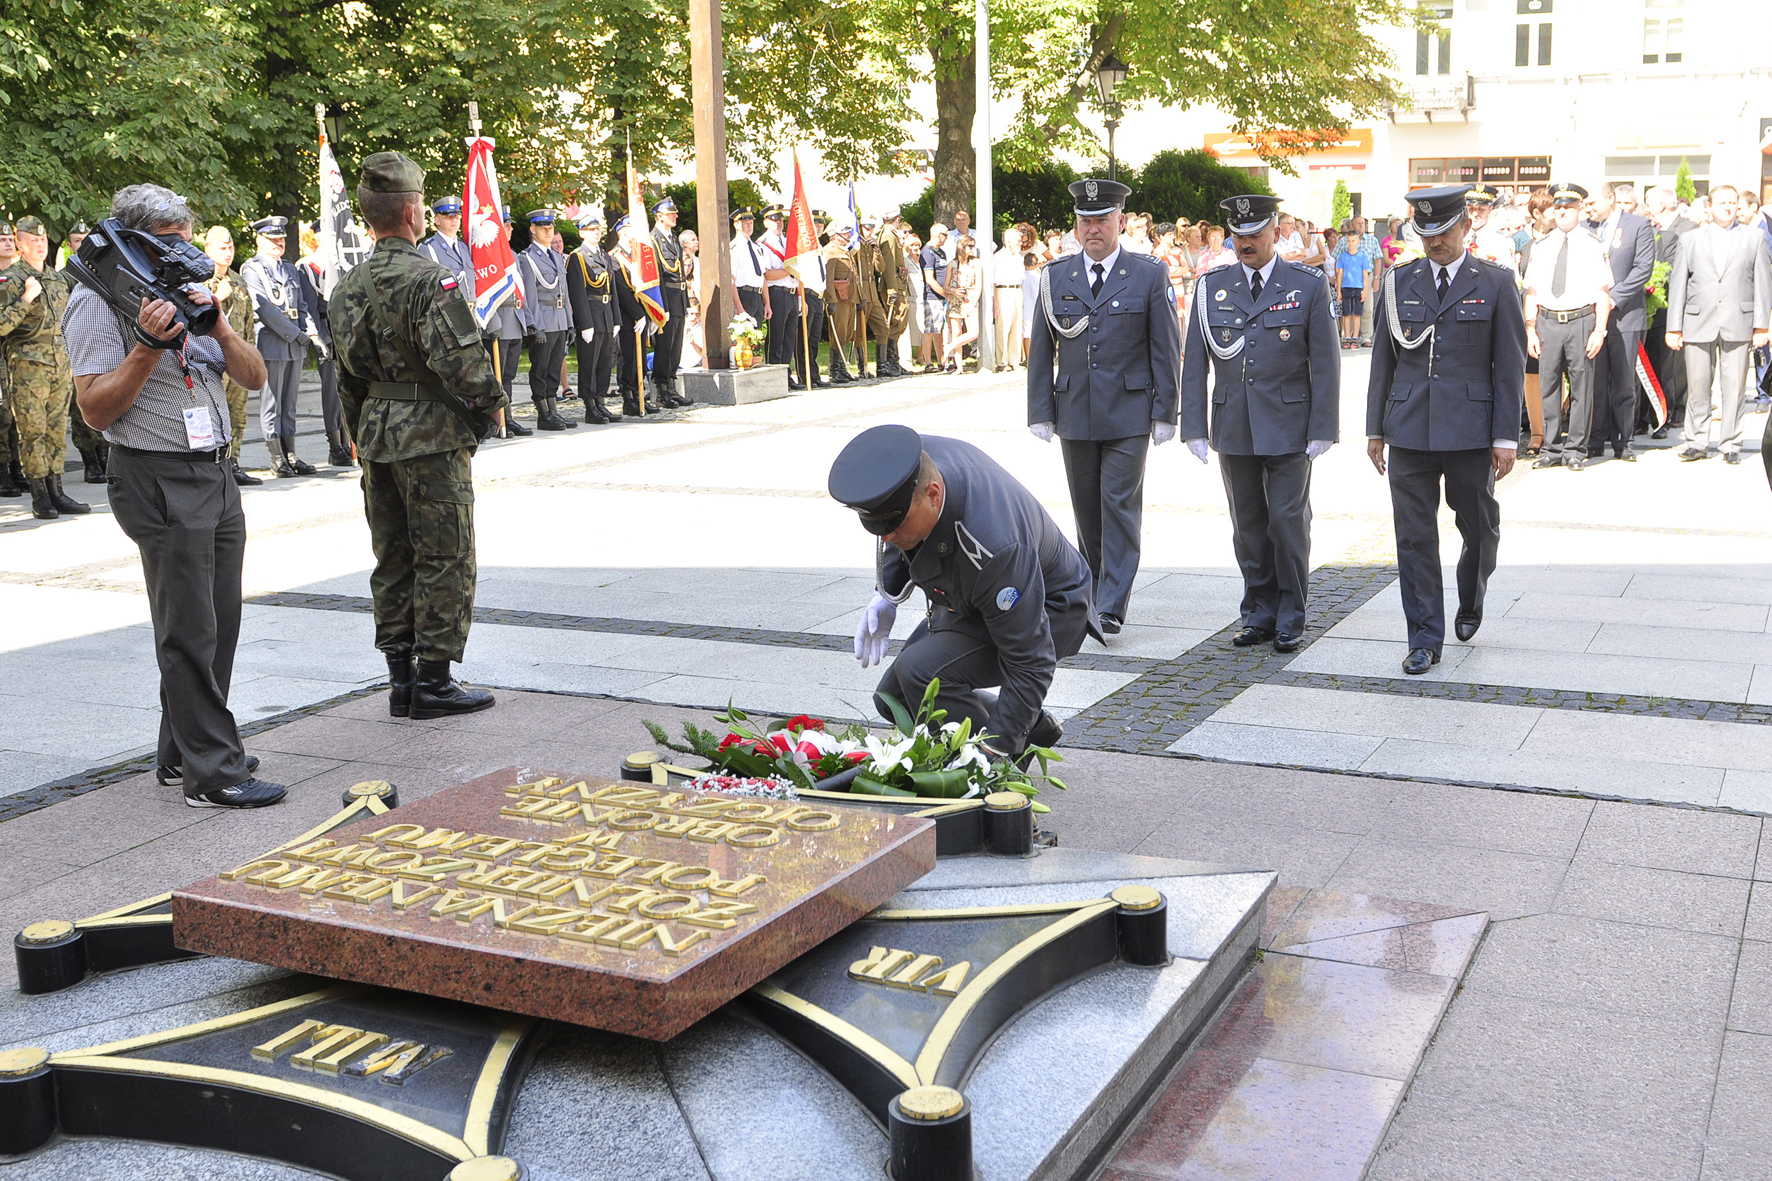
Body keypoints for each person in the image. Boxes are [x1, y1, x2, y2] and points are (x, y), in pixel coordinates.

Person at [66, 184, 285, 808]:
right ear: (134, 242)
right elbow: (95, 409)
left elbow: (254, 375)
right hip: (155, 475)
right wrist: (146, 347)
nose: (185, 251)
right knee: (189, 628)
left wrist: (217, 323)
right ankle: (212, 774)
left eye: (188, 237)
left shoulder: (190, 292)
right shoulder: (96, 298)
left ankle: (182, 749)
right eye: (170, 241)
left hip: (214, 472)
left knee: (219, 623)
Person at [331, 151, 506, 722]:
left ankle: (400, 682)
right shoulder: (432, 279)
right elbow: (464, 364)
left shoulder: (346, 286)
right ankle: (434, 681)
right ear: (412, 213)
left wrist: (360, 432)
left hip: (377, 436)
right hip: (430, 437)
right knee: (444, 554)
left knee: (392, 556)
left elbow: (346, 378)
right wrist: (490, 408)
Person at [832, 424, 1096, 758]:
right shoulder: (912, 465)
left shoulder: (992, 547)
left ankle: (984, 760)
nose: (886, 538)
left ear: (933, 494)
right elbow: (902, 528)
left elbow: (1031, 660)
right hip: (975, 592)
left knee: (920, 673)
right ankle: (1029, 724)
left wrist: (997, 749)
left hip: (1050, 606)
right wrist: (885, 595)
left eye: (894, 526)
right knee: (894, 699)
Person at [1367, 185, 1527, 675]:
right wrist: (1375, 430)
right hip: (1410, 427)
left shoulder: (1496, 282)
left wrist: (1505, 437)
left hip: (1470, 430)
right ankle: (1423, 638)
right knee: (1413, 537)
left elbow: (1510, 365)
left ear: (1466, 226)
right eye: (1426, 234)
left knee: (1478, 526)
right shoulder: (1399, 281)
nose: (1435, 242)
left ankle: (1471, 595)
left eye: (1443, 232)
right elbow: (1382, 360)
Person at [1180, 194, 1339, 653]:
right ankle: (1258, 612)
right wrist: (1194, 426)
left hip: (1290, 423)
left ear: (1275, 231)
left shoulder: (1306, 285)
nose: (1246, 243)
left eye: (1254, 234)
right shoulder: (1212, 287)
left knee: (1287, 522)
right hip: (1234, 422)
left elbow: (1326, 362)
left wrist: (1323, 427)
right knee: (1248, 525)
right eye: (1239, 235)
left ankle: (1291, 614)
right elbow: (1195, 361)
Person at [1027, 177, 1182, 635]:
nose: (1093, 229)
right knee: (1087, 510)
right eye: (1085, 221)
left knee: (1119, 505)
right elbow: (1042, 347)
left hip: (1129, 411)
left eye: (1102, 220)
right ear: (1076, 226)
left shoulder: (1148, 274)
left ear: (1121, 221)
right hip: (1075, 408)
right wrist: (1040, 409)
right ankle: (1092, 594)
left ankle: (1111, 604)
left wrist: (1165, 410)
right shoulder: (1056, 276)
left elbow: (1165, 346)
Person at [1667, 184, 1772, 464]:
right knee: (1697, 386)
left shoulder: (1754, 238)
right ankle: (1696, 441)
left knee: (1734, 388)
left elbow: (1763, 283)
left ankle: (1731, 444)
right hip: (1697, 321)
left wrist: (1762, 326)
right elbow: (1678, 285)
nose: (1728, 207)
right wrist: (1674, 327)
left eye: (1732, 202)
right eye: (1722, 202)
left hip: (1739, 321)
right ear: (1709, 207)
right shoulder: (1690, 239)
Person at [0, 215, 91, 519]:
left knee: (56, 430)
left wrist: (71, 359)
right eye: (33, 240)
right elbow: (2, 325)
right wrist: (27, 297)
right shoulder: (11, 279)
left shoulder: (56, 278)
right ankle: (40, 496)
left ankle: (57, 491)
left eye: (42, 240)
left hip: (59, 365)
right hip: (28, 369)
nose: (40, 245)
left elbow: (68, 323)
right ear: (20, 245)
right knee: (32, 431)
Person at [1525, 183, 1613, 471]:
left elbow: (1602, 292)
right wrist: (1530, 329)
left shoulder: (1593, 244)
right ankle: (1551, 448)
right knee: (1548, 386)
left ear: (1580, 210)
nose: (1562, 212)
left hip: (1581, 321)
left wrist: (1599, 330)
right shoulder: (1541, 246)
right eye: (1558, 207)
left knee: (1581, 388)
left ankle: (1575, 449)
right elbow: (1532, 293)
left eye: (1568, 207)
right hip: (1548, 322)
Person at [241, 215, 322, 476]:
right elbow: (265, 310)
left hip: (294, 345)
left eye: (281, 239)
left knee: (289, 404)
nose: (278, 244)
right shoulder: (252, 269)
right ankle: (277, 458)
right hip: (272, 343)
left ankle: (291, 455)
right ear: (259, 240)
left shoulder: (289, 268)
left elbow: (302, 306)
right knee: (272, 403)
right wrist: (296, 334)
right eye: (272, 239)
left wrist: (311, 334)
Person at [1583, 182, 1656, 461]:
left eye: (1591, 203)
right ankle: (1595, 438)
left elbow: (1643, 268)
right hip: (1591, 317)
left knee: (1624, 381)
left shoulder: (1638, 225)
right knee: (1595, 381)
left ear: (1610, 198)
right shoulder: (1584, 228)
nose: (1587, 209)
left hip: (1625, 315)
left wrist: (1613, 297)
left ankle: (1623, 441)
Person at [202, 226, 264, 486]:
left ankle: (233, 462)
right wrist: (217, 296)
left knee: (237, 413)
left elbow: (248, 323)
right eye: (222, 248)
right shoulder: (199, 280)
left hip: (235, 358)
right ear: (208, 250)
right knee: (212, 413)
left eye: (230, 248)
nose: (228, 253)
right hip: (210, 359)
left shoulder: (238, 281)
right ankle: (210, 465)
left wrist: (250, 355)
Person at [294, 222, 353, 468]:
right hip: (326, 333)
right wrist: (319, 338)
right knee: (332, 392)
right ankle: (335, 446)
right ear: (317, 237)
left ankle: (348, 442)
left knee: (348, 390)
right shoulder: (307, 266)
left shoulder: (343, 264)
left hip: (347, 333)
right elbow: (308, 306)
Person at [1641, 185, 1697, 438]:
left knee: (1675, 367)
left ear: (1661, 205)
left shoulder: (1689, 229)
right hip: (1652, 310)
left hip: (1677, 307)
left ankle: (1677, 411)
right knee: (1654, 364)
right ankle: (1649, 414)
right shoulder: (1649, 229)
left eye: (1649, 204)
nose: (1646, 209)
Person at [517, 209, 577, 430]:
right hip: (543, 318)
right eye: (543, 227)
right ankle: (543, 413)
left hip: (559, 319)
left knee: (554, 367)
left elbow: (565, 291)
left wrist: (569, 323)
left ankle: (553, 411)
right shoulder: (527, 258)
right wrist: (536, 325)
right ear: (533, 230)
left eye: (550, 227)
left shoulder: (555, 256)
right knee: (540, 368)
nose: (548, 231)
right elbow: (530, 295)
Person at [565, 211, 619, 424]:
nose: (596, 233)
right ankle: (590, 406)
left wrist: (616, 319)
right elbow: (577, 293)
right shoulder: (577, 257)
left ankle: (600, 402)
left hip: (606, 315)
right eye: (591, 230)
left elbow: (612, 289)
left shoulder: (604, 256)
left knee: (605, 362)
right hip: (591, 315)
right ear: (582, 233)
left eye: (597, 229)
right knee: (589, 363)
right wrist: (585, 323)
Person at [649, 197, 694, 407]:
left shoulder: (673, 239)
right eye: (670, 214)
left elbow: (680, 273)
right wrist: (663, 306)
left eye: (674, 213)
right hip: (666, 298)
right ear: (659, 216)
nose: (675, 216)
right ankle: (661, 389)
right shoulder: (653, 240)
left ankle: (671, 385)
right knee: (664, 347)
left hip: (679, 298)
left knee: (676, 347)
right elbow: (658, 275)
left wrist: (685, 302)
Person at [822, 219, 860, 384]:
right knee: (838, 333)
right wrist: (831, 300)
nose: (848, 235)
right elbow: (829, 278)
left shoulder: (843, 251)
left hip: (848, 297)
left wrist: (859, 297)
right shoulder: (830, 251)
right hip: (838, 298)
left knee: (846, 333)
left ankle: (842, 366)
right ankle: (835, 369)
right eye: (845, 232)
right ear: (835, 235)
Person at [941, 235, 982, 373]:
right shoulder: (952, 264)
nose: (972, 249)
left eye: (973, 246)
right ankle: (959, 367)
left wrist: (973, 302)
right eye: (969, 246)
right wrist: (953, 291)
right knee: (956, 332)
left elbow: (979, 285)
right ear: (962, 247)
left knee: (974, 332)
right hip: (955, 299)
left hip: (970, 298)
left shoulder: (976, 263)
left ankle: (949, 347)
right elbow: (946, 286)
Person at [991, 226, 1025, 372]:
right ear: (1008, 241)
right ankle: (1002, 361)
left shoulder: (1018, 257)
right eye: (1018, 241)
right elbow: (993, 282)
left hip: (1017, 291)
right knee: (1003, 327)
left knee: (1017, 327)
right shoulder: (998, 257)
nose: (1020, 243)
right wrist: (994, 302)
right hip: (1003, 291)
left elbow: (1021, 279)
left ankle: (1015, 360)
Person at [919, 223, 951, 372]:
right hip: (932, 297)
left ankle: (941, 360)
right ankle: (927, 362)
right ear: (938, 235)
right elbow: (930, 279)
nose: (946, 238)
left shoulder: (941, 253)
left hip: (942, 297)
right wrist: (945, 294)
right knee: (930, 329)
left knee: (939, 330)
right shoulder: (927, 252)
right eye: (945, 235)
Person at [728, 207, 768, 325]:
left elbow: (762, 277)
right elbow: (731, 280)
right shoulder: (734, 248)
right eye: (745, 223)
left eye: (751, 223)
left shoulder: (756, 248)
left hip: (758, 296)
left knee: (757, 335)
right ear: (736, 225)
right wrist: (739, 308)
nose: (749, 226)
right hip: (744, 295)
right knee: (744, 334)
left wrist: (767, 303)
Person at [1335, 230, 1371, 348]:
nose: (1350, 243)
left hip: (1358, 288)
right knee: (1346, 314)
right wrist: (1338, 290)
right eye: (1349, 241)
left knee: (1356, 314)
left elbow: (1365, 274)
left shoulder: (1363, 256)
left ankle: (1355, 338)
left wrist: (1365, 291)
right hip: (1346, 287)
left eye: (1353, 241)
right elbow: (1340, 274)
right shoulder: (1343, 256)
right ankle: (1347, 337)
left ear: (1358, 242)